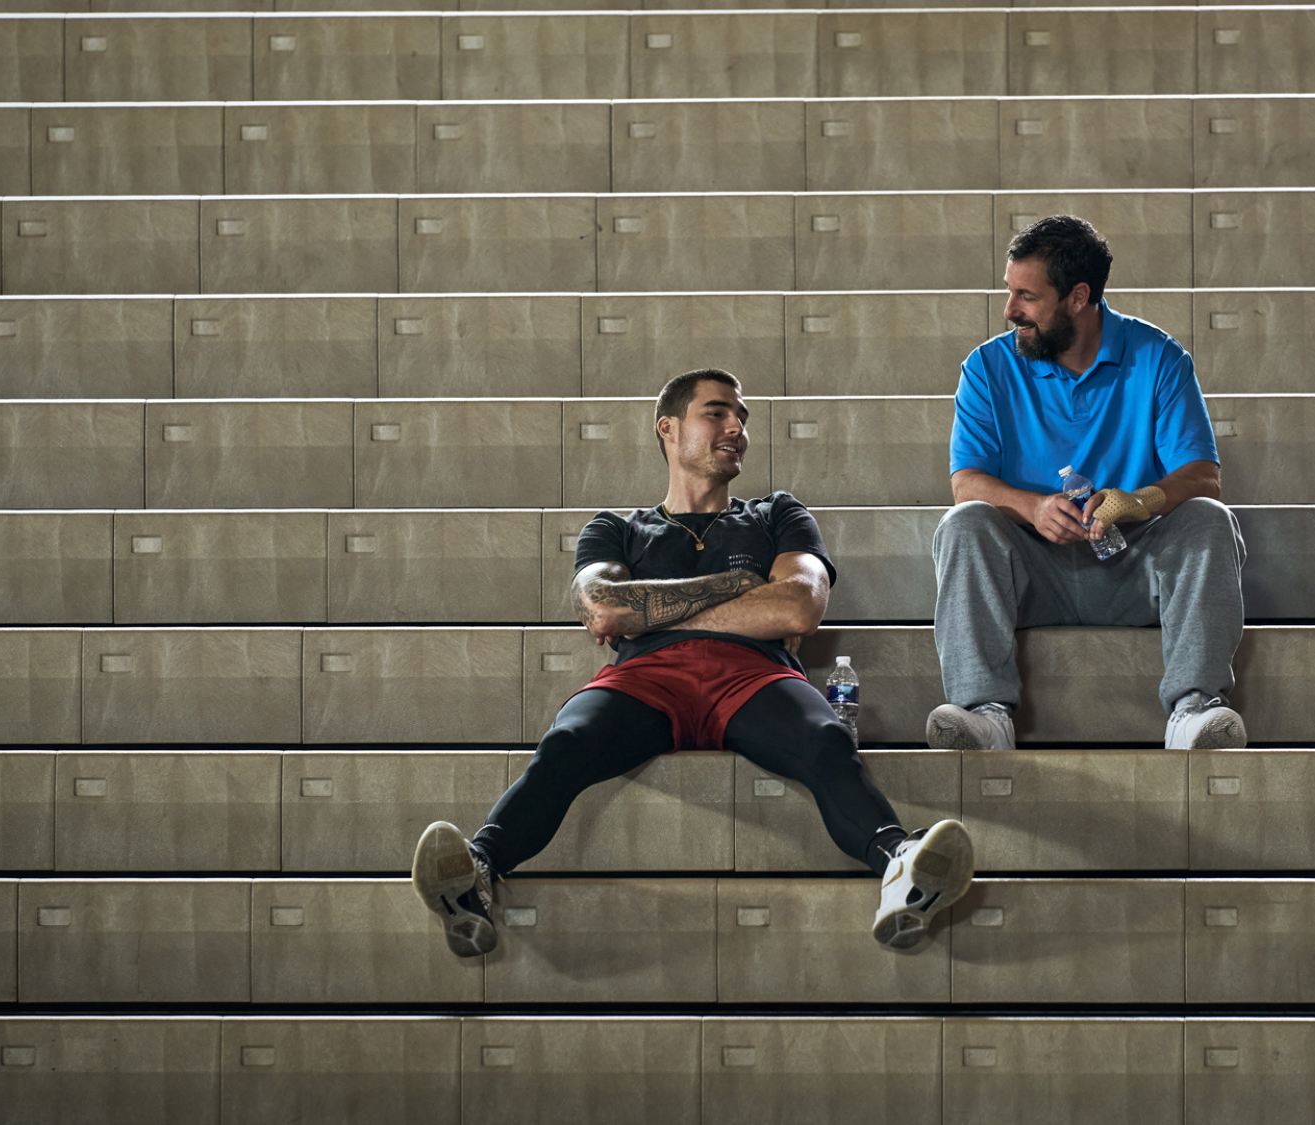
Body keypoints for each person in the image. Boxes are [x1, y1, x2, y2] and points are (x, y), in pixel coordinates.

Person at [411, 368, 974, 957]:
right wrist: (737, 586)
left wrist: (653, 610)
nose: (737, 427)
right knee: (568, 743)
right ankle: (476, 874)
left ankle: (901, 867)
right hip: (644, 681)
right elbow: (602, 610)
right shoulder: (615, 529)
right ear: (669, 428)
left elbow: (799, 607)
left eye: (742, 417)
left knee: (823, 739)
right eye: (717, 412)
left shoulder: (777, 515)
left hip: (753, 676)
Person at [926, 215, 1250, 752]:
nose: (1010, 311)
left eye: (1026, 297)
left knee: (1209, 518)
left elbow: (1204, 477)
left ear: (1078, 297)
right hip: (1031, 576)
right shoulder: (986, 368)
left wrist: (1140, 500)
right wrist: (1031, 507)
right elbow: (967, 483)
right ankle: (984, 714)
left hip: (1133, 570)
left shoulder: (1160, 358)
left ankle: (1194, 710)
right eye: (1010, 293)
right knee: (965, 523)